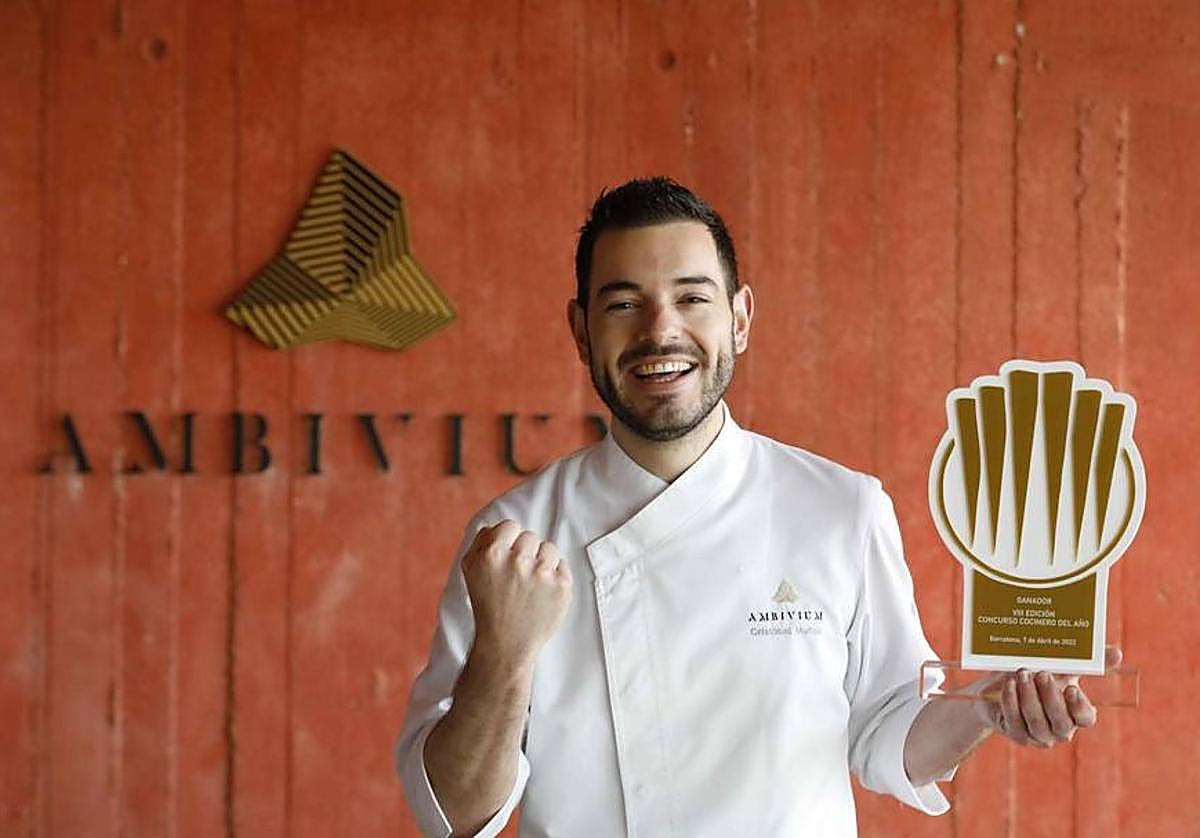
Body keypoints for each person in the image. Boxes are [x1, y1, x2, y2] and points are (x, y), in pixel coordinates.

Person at [395, 178, 1107, 837]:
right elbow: (453, 816)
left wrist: (984, 706)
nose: (659, 330)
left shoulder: (842, 508)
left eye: (693, 298)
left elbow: (888, 737)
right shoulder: (513, 538)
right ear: (582, 331)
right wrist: (507, 651)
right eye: (622, 303)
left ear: (740, 318)